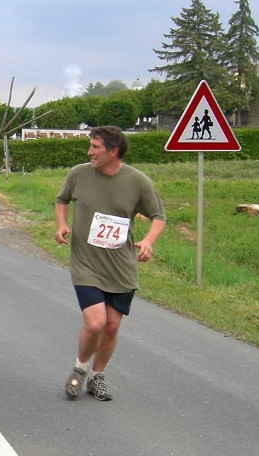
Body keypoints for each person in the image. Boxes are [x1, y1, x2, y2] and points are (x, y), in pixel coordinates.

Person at [55, 126, 166, 401]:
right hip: (86, 263)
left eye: (95, 147)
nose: (89, 152)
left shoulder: (138, 181)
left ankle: (97, 376)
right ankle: (80, 369)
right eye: (90, 146)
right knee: (96, 323)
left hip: (120, 265)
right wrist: (61, 225)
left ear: (113, 151)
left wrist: (149, 241)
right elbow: (62, 199)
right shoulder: (78, 174)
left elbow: (158, 216)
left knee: (112, 325)